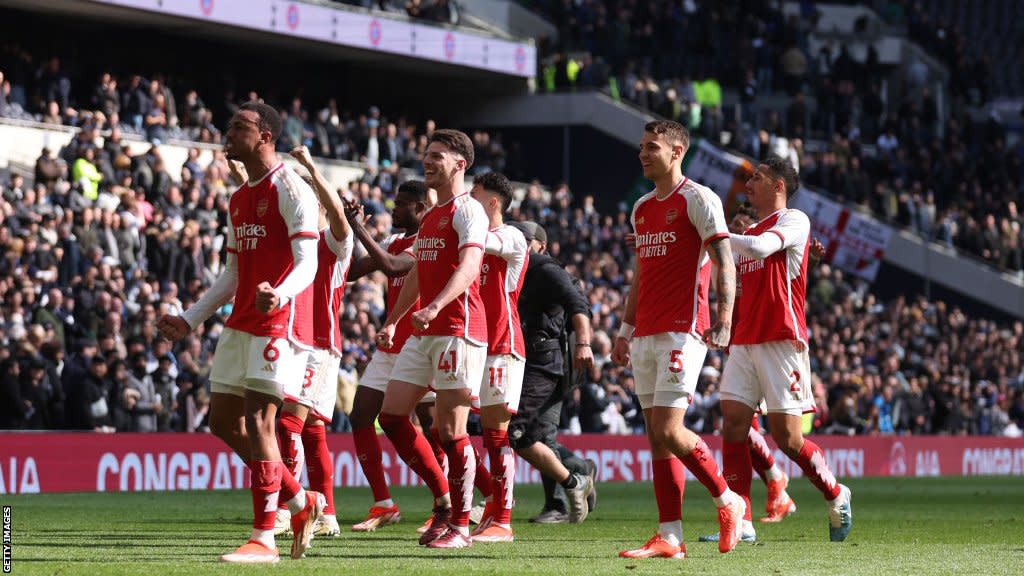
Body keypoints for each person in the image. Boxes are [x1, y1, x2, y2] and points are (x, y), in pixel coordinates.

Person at [156, 102, 324, 564]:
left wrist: (282, 294)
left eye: (238, 126)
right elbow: (232, 273)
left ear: (265, 135)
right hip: (241, 321)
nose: (226, 132)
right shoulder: (238, 197)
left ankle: (264, 538)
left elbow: (308, 261)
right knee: (222, 423)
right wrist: (191, 318)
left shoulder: (292, 186)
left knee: (260, 423)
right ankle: (301, 500)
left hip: (277, 321)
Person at [613, 120, 745, 560]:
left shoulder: (699, 198)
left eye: (652, 147)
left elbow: (725, 263)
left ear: (677, 151)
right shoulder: (642, 207)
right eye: (640, 147)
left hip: (682, 328)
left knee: (670, 429)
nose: (642, 154)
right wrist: (624, 329)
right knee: (656, 436)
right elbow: (640, 276)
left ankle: (728, 501)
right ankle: (670, 537)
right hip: (646, 331)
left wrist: (724, 319)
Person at [718, 156, 852, 543]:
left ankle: (835, 492)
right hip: (745, 340)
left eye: (757, 178)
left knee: (788, 440)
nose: (749, 183)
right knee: (733, 426)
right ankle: (740, 519)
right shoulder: (750, 229)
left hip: (781, 339)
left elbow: (759, 249)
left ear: (778, 185)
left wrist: (716, 236)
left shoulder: (794, 221)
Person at [375, 128, 487, 549]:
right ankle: (444, 502)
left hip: (458, 328)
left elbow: (470, 265)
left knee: (451, 430)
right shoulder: (434, 217)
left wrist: (437, 305)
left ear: (460, 164)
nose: (427, 161)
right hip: (426, 331)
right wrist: (393, 319)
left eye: (437, 155)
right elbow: (417, 272)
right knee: (391, 414)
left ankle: (461, 523)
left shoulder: (468, 211)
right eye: (426, 154)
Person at [343, 179, 444, 532]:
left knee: (437, 430)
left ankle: (451, 503)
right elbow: (353, 271)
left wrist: (358, 227)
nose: (395, 208)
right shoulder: (393, 240)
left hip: (421, 345)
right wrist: (343, 227)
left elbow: (393, 267)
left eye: (402, 204)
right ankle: (384, 503)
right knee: (360, 416)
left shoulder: (427, 242)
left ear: (421, 209)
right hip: (390, 348)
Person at [271, 145, 356, 539]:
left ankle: (289, 511)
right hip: (298, 341)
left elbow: (339, 215)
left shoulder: (334, 241)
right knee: (312, 432)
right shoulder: (295, 241)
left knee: (288, 424)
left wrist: (308, 167)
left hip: (319, 345)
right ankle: (329, 514)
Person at [506, 220, 596, 525]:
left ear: (539, 245)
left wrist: (584, 343)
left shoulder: (547, 269)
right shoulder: (511, 269)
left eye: (523, 239)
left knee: (533, 433)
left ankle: (559, 500)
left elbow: (578, 304)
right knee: (539, 435)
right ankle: (579, 471)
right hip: (526, 360)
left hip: (549, 363)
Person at [466, 171, 529, 543]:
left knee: (496, 433)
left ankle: (502, 518)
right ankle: (491, 509)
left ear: (492, 202)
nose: (468, 201)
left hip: (503, 343)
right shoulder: (477, 241)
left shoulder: (511, 237)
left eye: (474, 194)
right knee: (463, 429)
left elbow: (480, 242)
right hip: (475, 343)